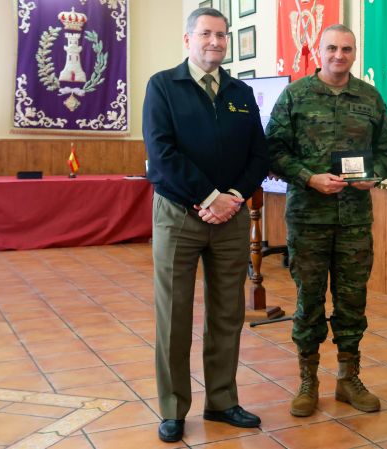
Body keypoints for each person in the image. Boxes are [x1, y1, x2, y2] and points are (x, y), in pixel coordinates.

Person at [142, 7, 268, 442]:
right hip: (179, 215)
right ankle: (173, 408)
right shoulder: (163, 85)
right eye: (206, 34)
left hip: (231, 218)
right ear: (188, 39)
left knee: (228, 312)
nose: (215, 42)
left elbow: (259, 154)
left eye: (222, 35)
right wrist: (208, 196)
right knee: (173, 315)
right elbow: (161, 154)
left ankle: (222, 400)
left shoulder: (240, 92)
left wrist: (233, 196)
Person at [266, 24, 387, 418]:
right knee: (309, 300)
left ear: (354, 53)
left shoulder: (370, 98)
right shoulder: (296, 95)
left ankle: (347, 378)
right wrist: (309, 177)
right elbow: (273, 150)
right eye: (332, 48)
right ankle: (308, 380)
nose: (339, 55)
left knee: (352, 301)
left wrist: (374, 174)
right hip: (308, 218)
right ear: (319, 51)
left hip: (354, 220)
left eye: (346, 49)